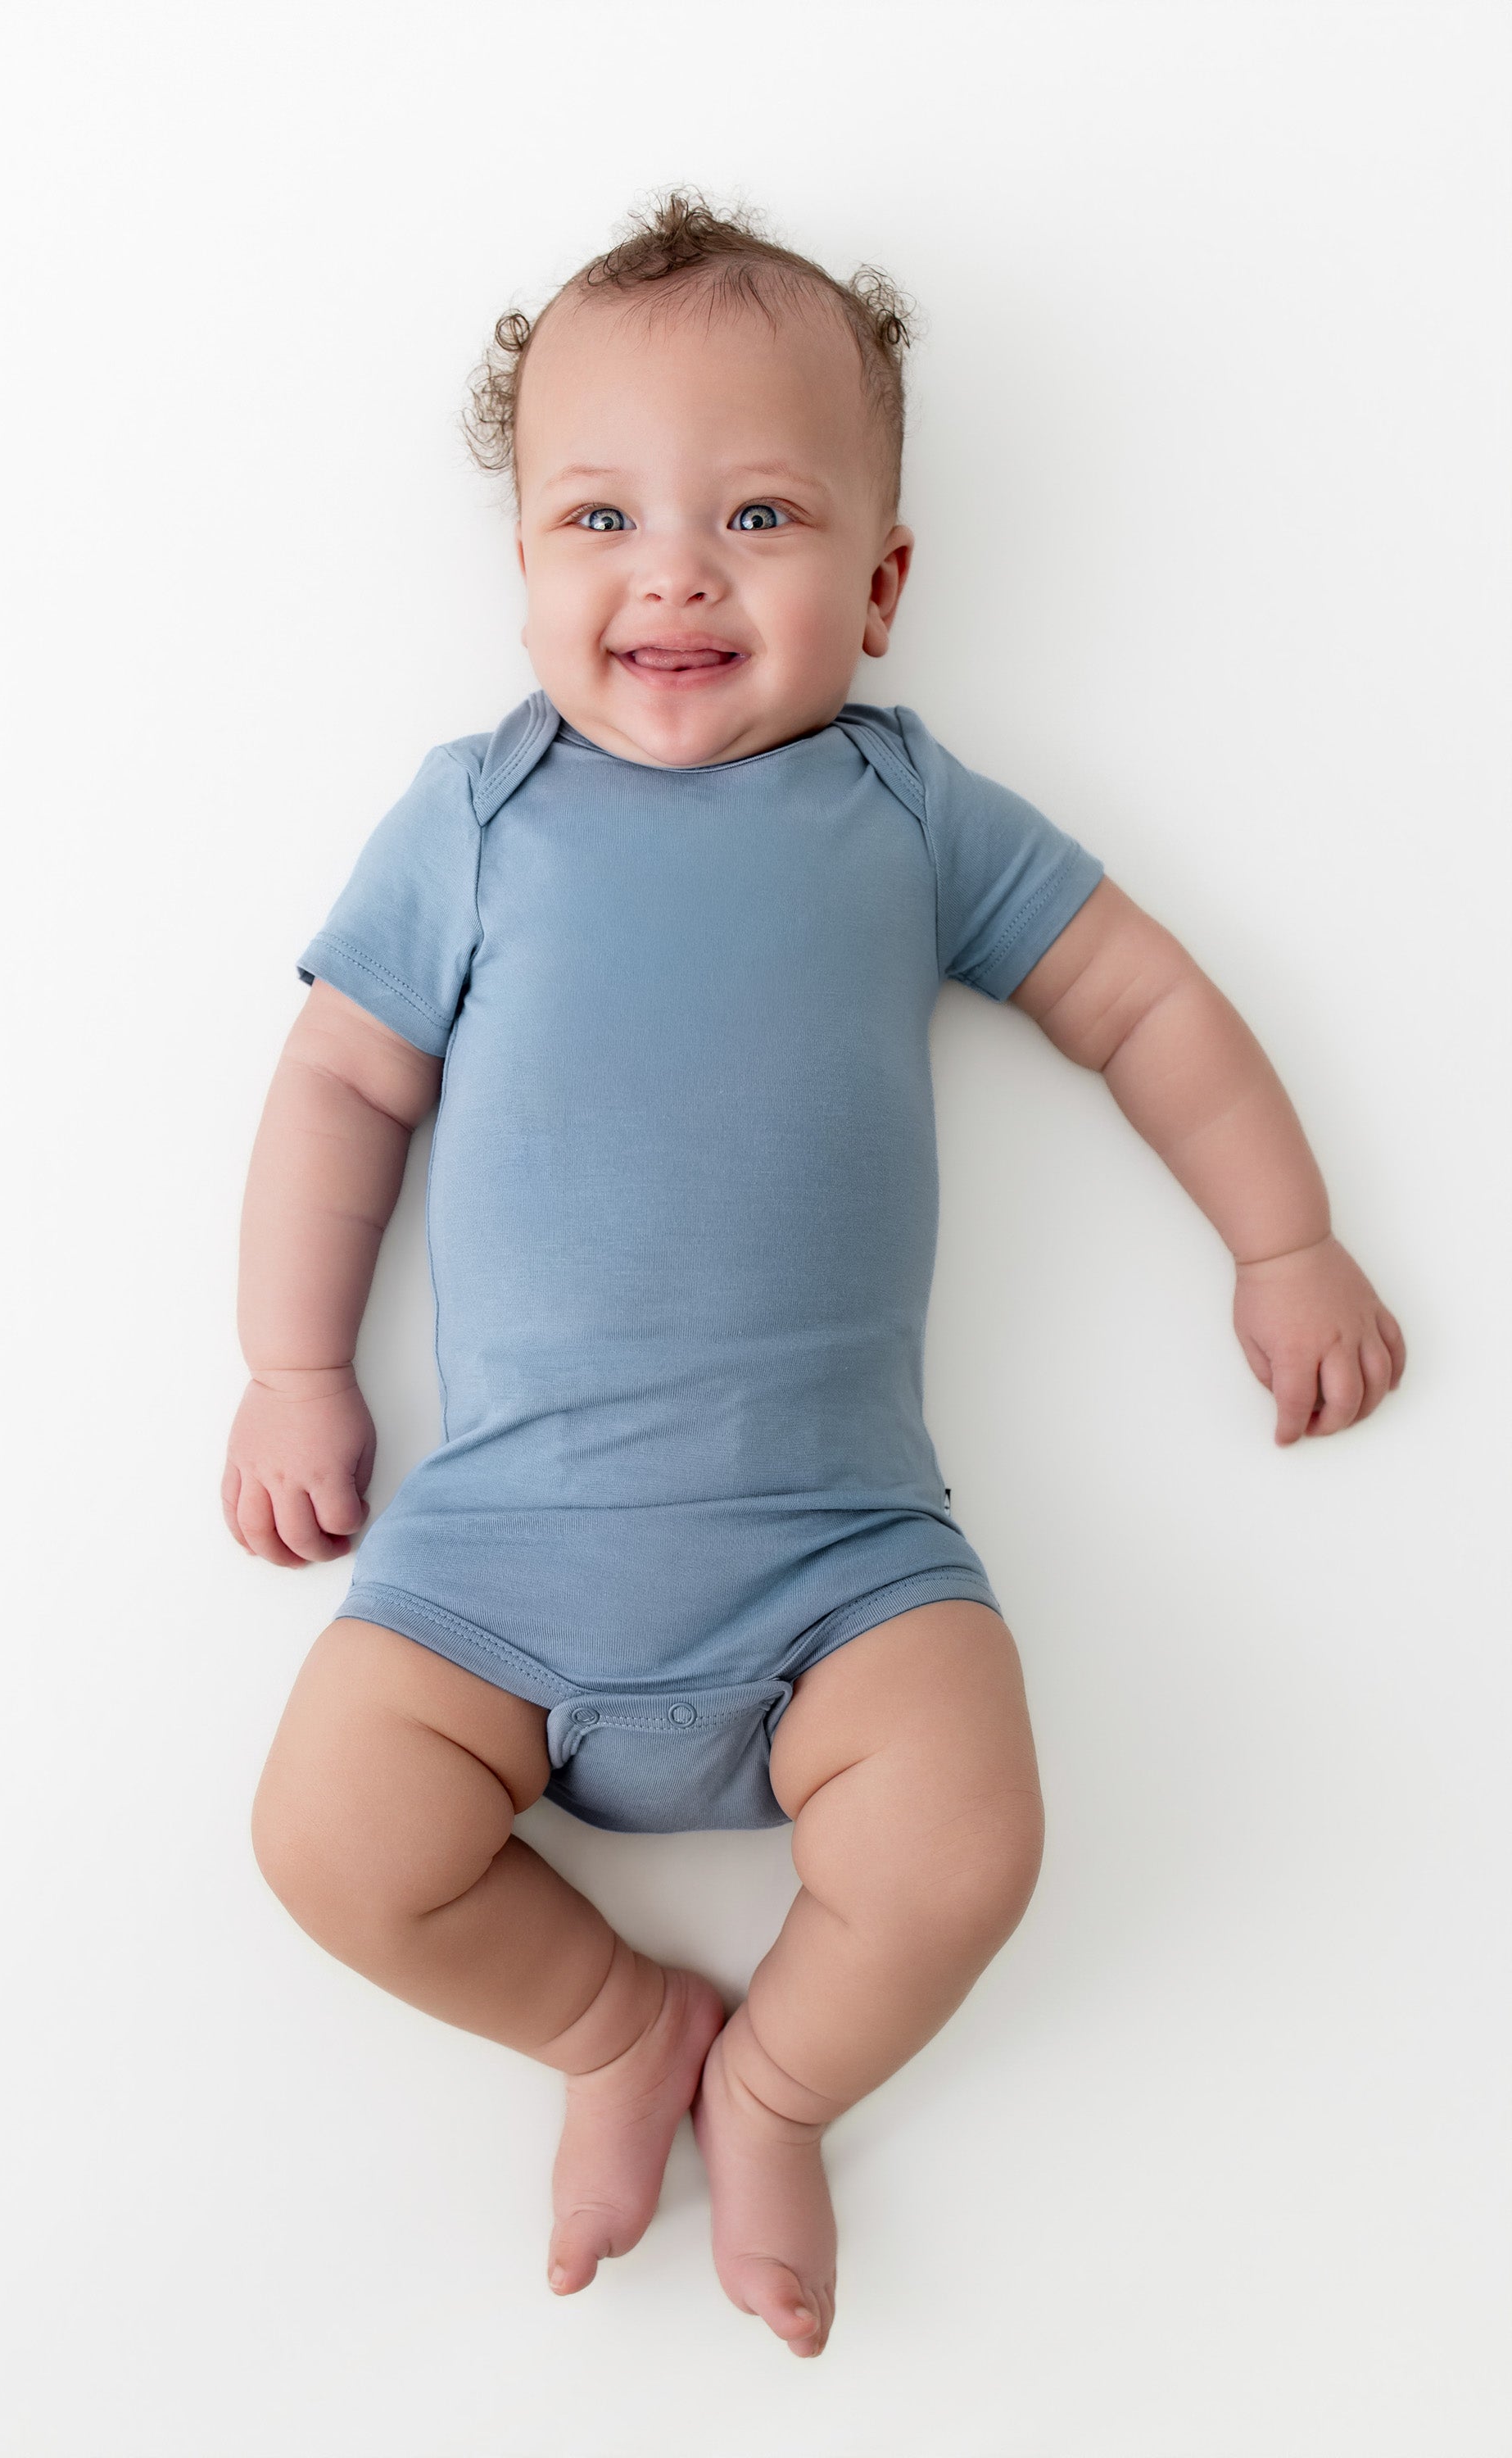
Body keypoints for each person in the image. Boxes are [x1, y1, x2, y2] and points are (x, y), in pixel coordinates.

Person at [224, 191, 1406, 2360]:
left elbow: (1140, 1001)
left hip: (838, 1567)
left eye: (755, 513)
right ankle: (612, 2029)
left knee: (964, 1845)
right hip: (492, 1571)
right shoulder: (473, 818)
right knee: (326, 1838)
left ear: (880, 582)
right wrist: (295, 1367)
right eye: (599, 515)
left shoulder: (911, 810)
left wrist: (1286, 1234)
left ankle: (771, 2082)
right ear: (523, 570)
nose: (672, 568)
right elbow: (334, 1094)